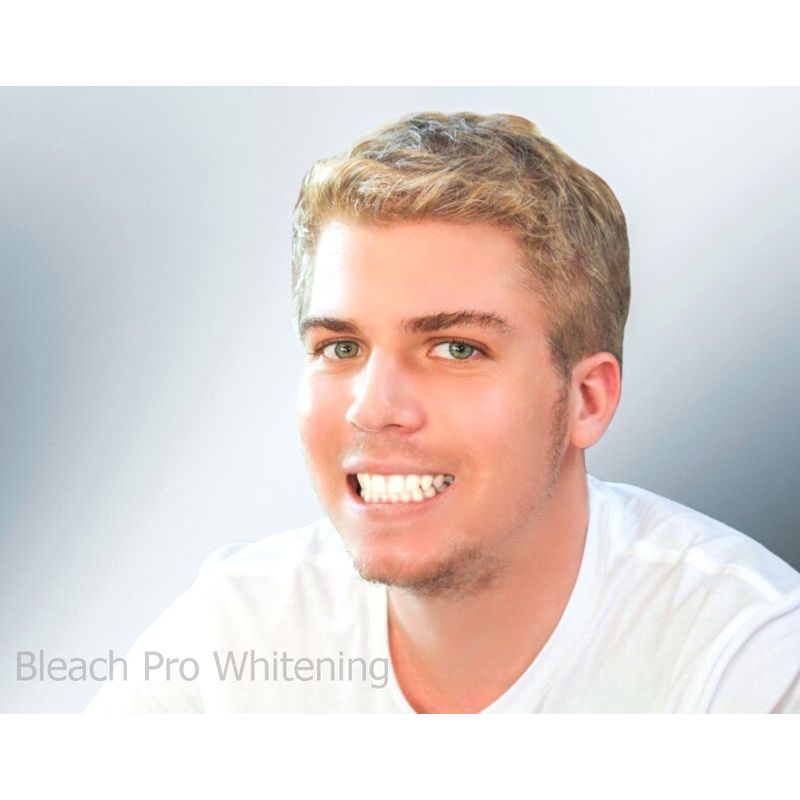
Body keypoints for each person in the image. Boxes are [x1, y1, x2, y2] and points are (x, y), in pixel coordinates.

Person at [87, 111, 800, 713]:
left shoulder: (747, 659)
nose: (373, 408)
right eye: (341, 348)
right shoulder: (235, 638)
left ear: (588, 399)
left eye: (456, 348)